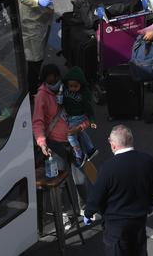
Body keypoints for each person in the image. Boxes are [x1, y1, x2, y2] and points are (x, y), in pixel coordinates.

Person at [83, 125, 153, 256]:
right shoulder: (148, 161)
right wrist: (148, 205)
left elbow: (97, 196)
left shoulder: (108, 168)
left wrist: (88, 212)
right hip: (139, 222)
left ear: (113, 145)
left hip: (116, 227)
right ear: (131, 141)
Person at [16, 0, 81, 96]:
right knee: (34, 58)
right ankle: (32, 91)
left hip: (43, 18)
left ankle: (35, 83)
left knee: (39, 54)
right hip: (32, 22)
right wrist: (37, 0)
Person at [33, 64, 90, 203]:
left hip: (74, 141)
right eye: (50, 82)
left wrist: (80, 128)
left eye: (56, 80)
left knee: (81, 178)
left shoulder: (68, 88)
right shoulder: (41, 96)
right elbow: (37, 122)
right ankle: (62, 215)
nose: (54, 84)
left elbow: (84, 113)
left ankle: (85, 209)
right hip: (55, 144)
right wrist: (42, 142)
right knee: (58, 183)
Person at [57, 66, 98, 168]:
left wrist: (92, 120)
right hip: (69, 116)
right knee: (81, 132)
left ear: (81, 84)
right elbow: (61, 100)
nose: (73, 88)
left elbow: (89, 108)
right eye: (70, 86)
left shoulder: (83, 95)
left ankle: (79, 155)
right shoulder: (64, 89)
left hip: (79, 117)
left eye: (75, 86)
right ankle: (90, 149)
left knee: (70, 136)